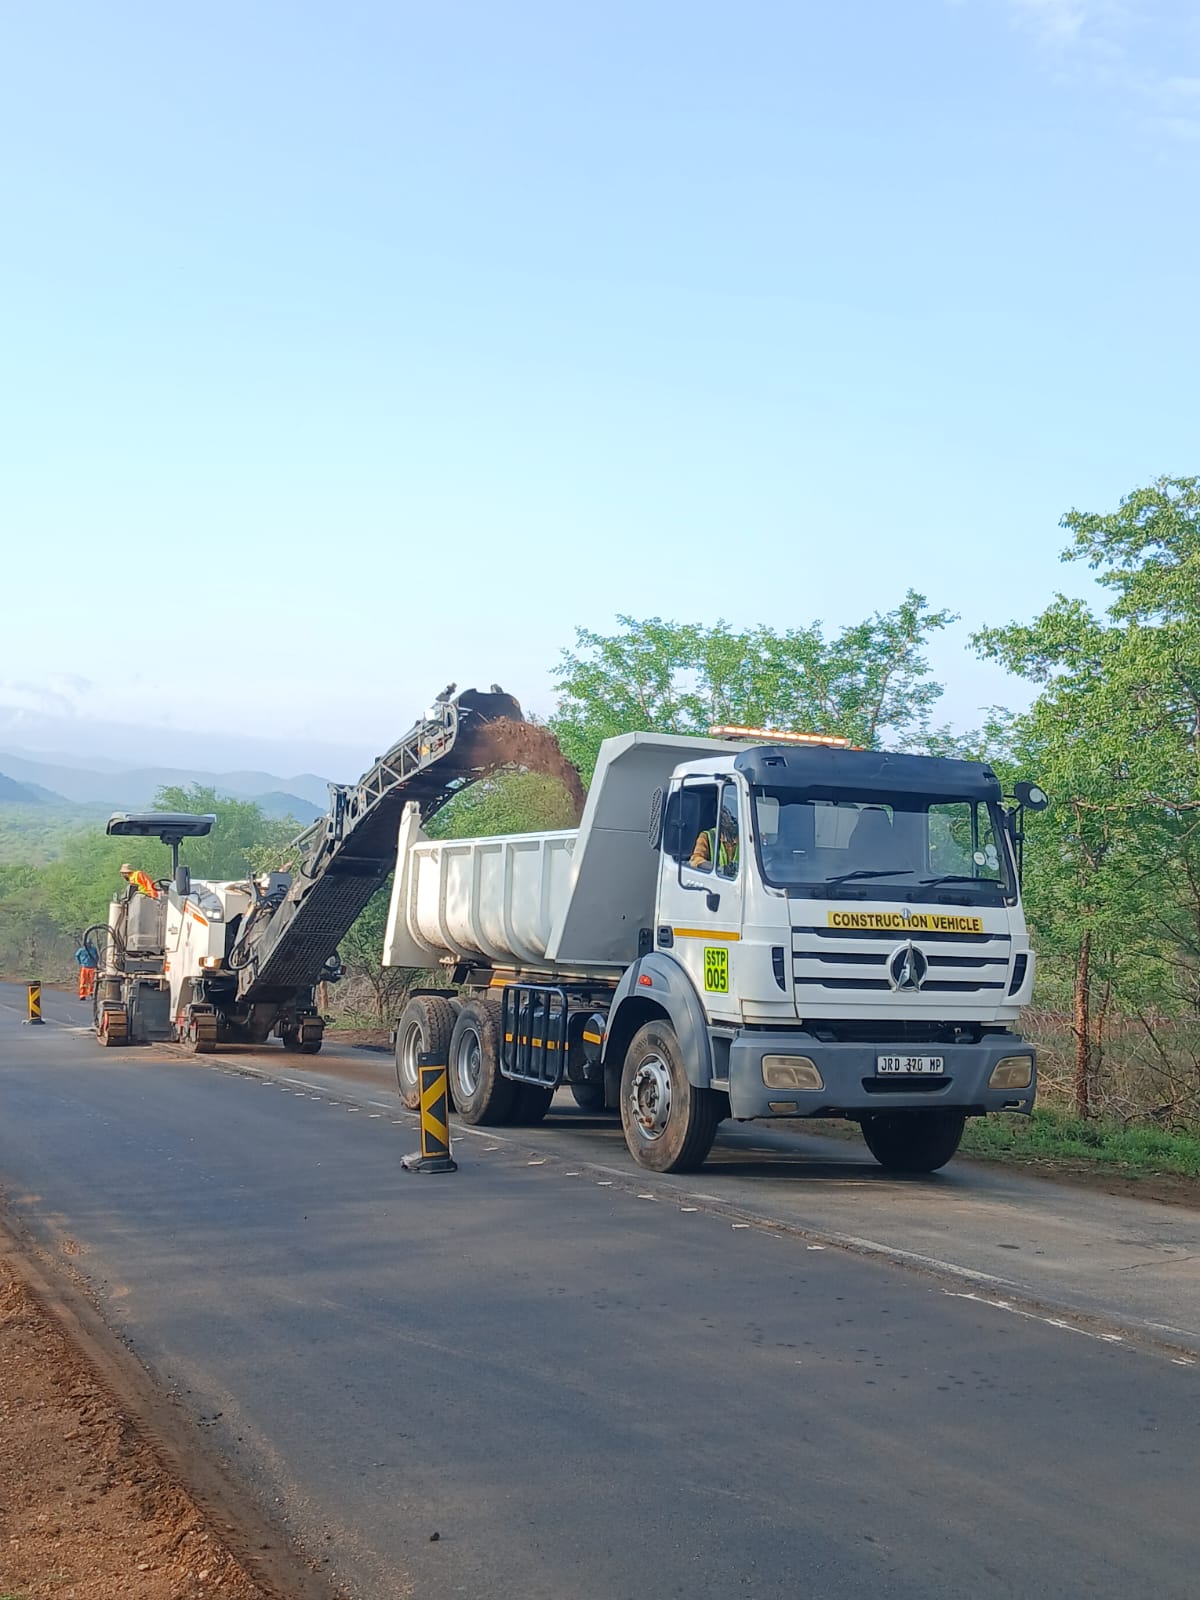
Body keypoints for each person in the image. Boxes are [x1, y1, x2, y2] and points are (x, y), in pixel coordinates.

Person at [691, 807, 739, 873]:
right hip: (715, 878)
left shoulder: (745, 838)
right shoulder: (707, 836)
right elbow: (695, 860)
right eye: (727, 814)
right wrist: (718, 869)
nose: (734, 818)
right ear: (720, 819)